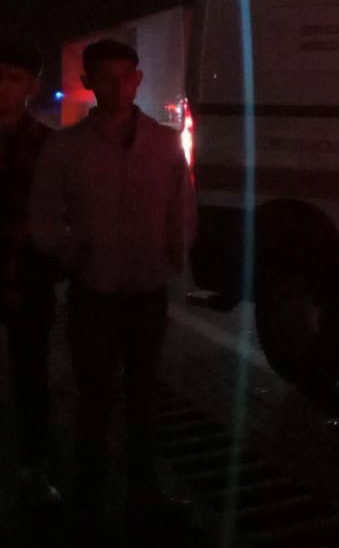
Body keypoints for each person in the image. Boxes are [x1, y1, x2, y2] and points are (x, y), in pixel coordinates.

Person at [29, 38, 196, 533]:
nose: (117, 85)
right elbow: (43, 213)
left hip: (146, 290)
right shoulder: (67, 147)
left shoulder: (164, 143)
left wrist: (175, 251)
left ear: (137, 80)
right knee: (94, 398)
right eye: (104, 76)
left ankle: (142, 494)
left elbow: (182, 205)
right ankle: (91, 497)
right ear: (89, 82)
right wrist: (67, 252)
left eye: (125, 75)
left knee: (144, 396)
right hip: (94, 291)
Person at [0, 37, 61, 509]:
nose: (3, 87)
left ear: (31, 86)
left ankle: (33, 467)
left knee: (32, 377)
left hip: (28, 279)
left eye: (14, 78)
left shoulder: (49, 145)